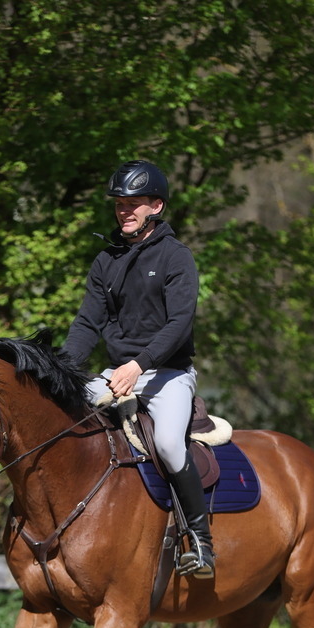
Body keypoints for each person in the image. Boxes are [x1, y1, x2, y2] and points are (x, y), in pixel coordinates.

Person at [61, 159, 215, 577]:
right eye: (119, 204)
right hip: (117, 374)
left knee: (166, 441)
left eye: (134, 204)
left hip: (166, 374)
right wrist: (59, 371)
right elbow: (87, 324)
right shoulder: (105, 261)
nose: (124, 210)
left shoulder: (176, 257)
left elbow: (179, 324)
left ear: (156, 207)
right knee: (63, 420)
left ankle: (200, 542)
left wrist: (139, 364)